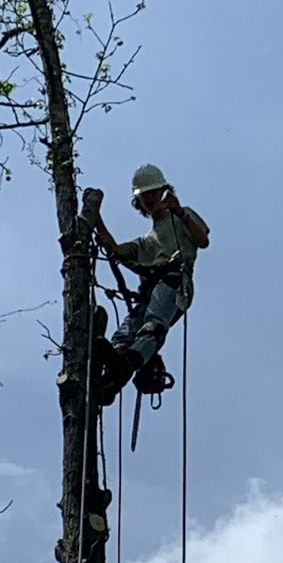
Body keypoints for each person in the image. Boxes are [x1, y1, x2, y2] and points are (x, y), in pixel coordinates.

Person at [88, 164, 210, 405]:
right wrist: (96, 218)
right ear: (139, 201)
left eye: (154, 191)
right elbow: (118, 251)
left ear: (164, 191)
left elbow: (203, 240)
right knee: (124, 334)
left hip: (175, 282)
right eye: (145, 195)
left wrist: (181, 213)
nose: (151, 198)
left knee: (153, 325)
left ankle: (125, 366)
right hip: (149, 292)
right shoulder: (146, 243)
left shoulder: (181, 217)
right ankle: (112, 377)